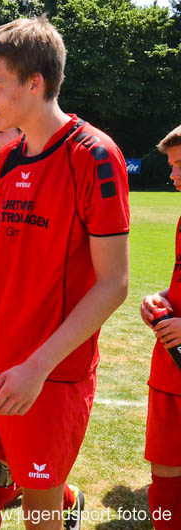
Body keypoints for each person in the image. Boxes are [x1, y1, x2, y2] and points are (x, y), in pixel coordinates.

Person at [0, 16, 129, 530]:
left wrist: (37, 366)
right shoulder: (8, 161)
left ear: (35, 82)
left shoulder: (94, 155)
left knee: (41, 515)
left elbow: (114, 283)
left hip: (48, 375)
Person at [140, 124, 181, 530]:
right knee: (165, 466)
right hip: (170, 365)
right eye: (172, 165)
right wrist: (160, 298)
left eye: (180, 165)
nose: (172, 175)